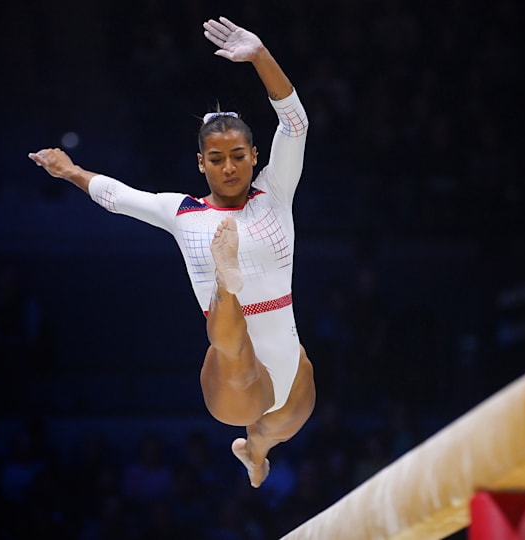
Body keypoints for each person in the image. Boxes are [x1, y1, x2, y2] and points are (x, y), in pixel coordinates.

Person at [28, 16, 314, 489]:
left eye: (239, 156)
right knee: (234, 344)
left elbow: (295, 123)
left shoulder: (275, 192)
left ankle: (254, 452)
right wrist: (72, 171)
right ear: (200, 163)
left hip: (286, 355)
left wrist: (261, 55)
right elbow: (119, 197)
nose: (229, 167)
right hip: (231, 369)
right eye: (217, 159)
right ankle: (227, 285)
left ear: (256, 156)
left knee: (285, 421)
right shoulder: (182, 213)